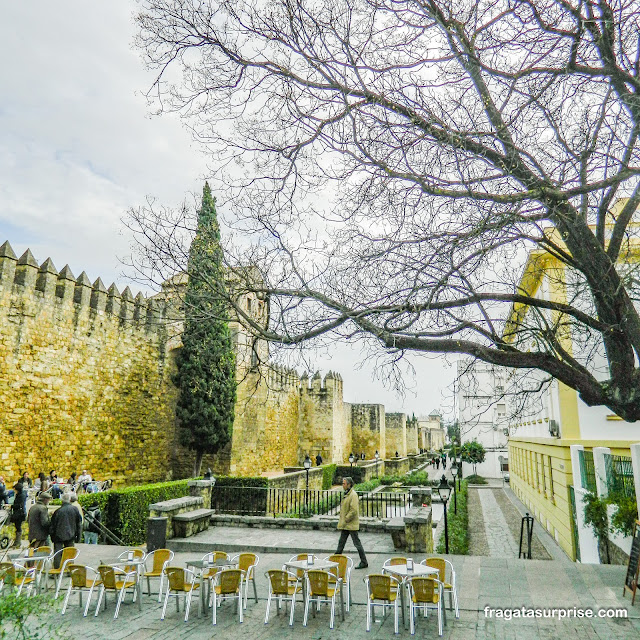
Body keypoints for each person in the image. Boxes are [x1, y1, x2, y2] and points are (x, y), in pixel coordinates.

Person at [335, 476, 368, 569]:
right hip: (347, 524)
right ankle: (335, 559)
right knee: (341, 542)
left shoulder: (353, 495)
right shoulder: (348, 494)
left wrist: (346, 519)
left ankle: (364, 561)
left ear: (349, 484)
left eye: (344, 483)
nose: (342, 485)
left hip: (350, 524)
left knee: (357, 543)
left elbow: (354, 510)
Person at [50, 493, 82, 568]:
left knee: (58, 553)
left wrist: (52, 536)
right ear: (70, 500)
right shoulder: (75, 509)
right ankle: (70, 569)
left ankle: (57, 570)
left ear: (62, 501)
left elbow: (53, 525)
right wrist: (78, 536)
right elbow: (79, 524)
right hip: (71, 534)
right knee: (70, 553)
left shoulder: (58, 511)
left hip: (58, 536)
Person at [11, 481, 27, 547]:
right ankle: (17, 542)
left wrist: (11, 506)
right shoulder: (21, 494)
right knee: (17, 527)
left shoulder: (21, 496)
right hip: (19, 513)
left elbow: (19, 505)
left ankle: (17, 542)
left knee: (18, 527)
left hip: (19, 514)